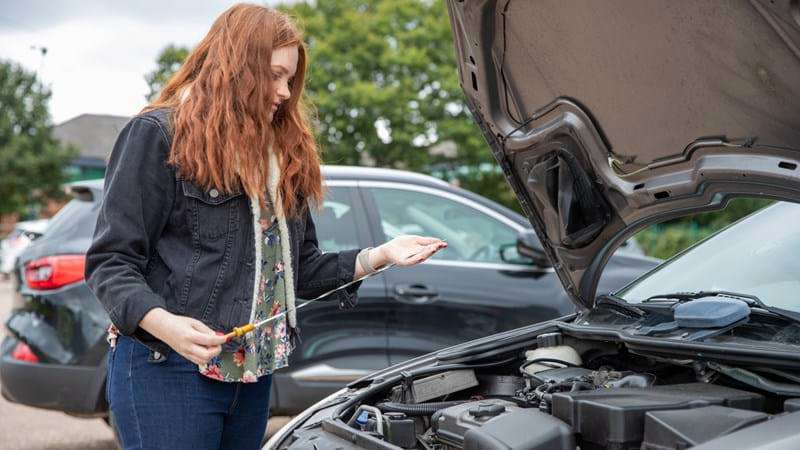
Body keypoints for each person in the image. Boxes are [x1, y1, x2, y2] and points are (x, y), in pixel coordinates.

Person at [84, 4, 446, 449]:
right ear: (236, 68)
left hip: (253, 373)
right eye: (274, 75)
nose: (284, 90)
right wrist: (167, 325)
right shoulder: (158, 134)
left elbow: (300, 271)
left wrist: (381, 256)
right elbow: (111, 262)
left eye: (290, 79)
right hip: (168, 369)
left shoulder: (281, 156)